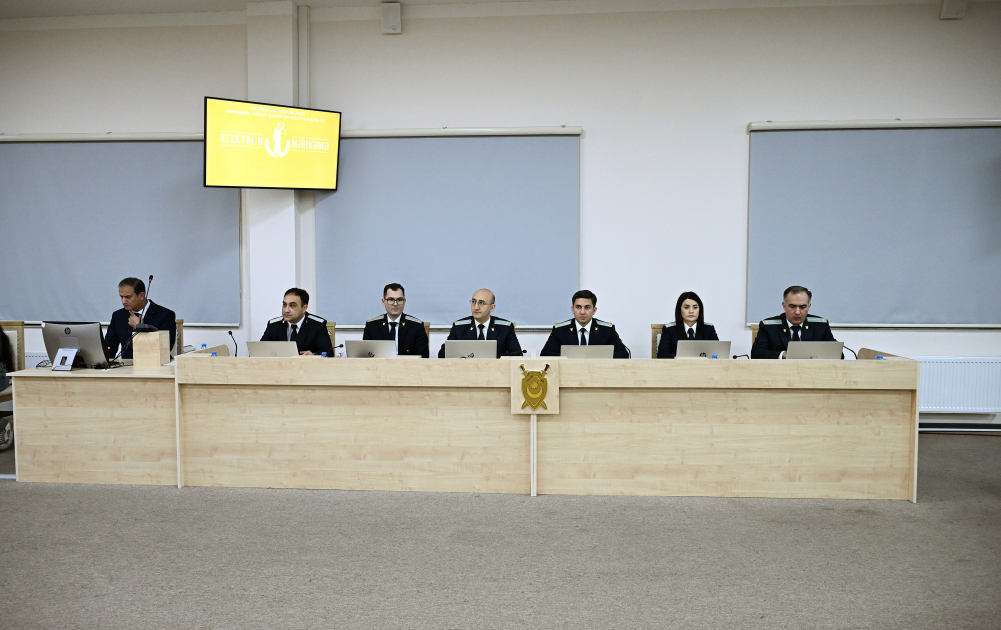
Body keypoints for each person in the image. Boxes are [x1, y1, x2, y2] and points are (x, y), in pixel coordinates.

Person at [751, 285, 838, 359]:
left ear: (809, 306)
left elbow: (838, 354)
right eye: (792, 306)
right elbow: (756, 353)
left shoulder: (820, 326)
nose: (797, 312)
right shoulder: (769, 327)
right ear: (784, 306)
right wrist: (783, 354)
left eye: (802, 307)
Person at [541, 289, 629, 358]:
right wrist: (568, 359)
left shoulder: (607, 330)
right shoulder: (560, 330)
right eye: (578, 307)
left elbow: (623, 354)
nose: (582, 312)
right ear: (573, 309)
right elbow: (546, 354)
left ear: (594, 310)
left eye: (587, 307)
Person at [104, 277, 176, 360]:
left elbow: (167, 346)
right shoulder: (118, 315)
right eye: (121, 297)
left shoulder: (165, 314)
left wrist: (140, 328)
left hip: (156, 363)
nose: (123, 301)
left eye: (128, 297)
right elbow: (109, 347)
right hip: (128, 365)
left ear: (141, 295)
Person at [437, 289, 523, 358]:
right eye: (473, 302)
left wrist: (489, 357)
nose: (476, 307)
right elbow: (443, 354)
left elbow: (517, 355)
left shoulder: (505, 328)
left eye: (482, 303)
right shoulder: (459, 327)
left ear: (492, 307)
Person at [260, 288, 334, 356]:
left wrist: (314, 355)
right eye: (284, 305)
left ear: (304, 308)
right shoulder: (274, 325)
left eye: (292, 305)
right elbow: (260, 351)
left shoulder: (317, 325)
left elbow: (328, 352)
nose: (286, 310)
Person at [363, 283, 429, 358]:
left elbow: (423, 358)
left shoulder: (416, 326)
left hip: (407, 365)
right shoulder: (372, 326)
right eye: (391, 300)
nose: (395, 304)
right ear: (383, 302)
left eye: (399, 300)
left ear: (404, 302)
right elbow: (366, 357)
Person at [657, 291, 719, 358]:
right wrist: (682, 359)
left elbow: (718, 353)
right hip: (678, 364)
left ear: (700, 310)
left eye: (695, 307)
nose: (691, 311)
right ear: (679, 310)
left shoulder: (709, 329)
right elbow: (661, 355)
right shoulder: (669, 330)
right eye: (686, 307)